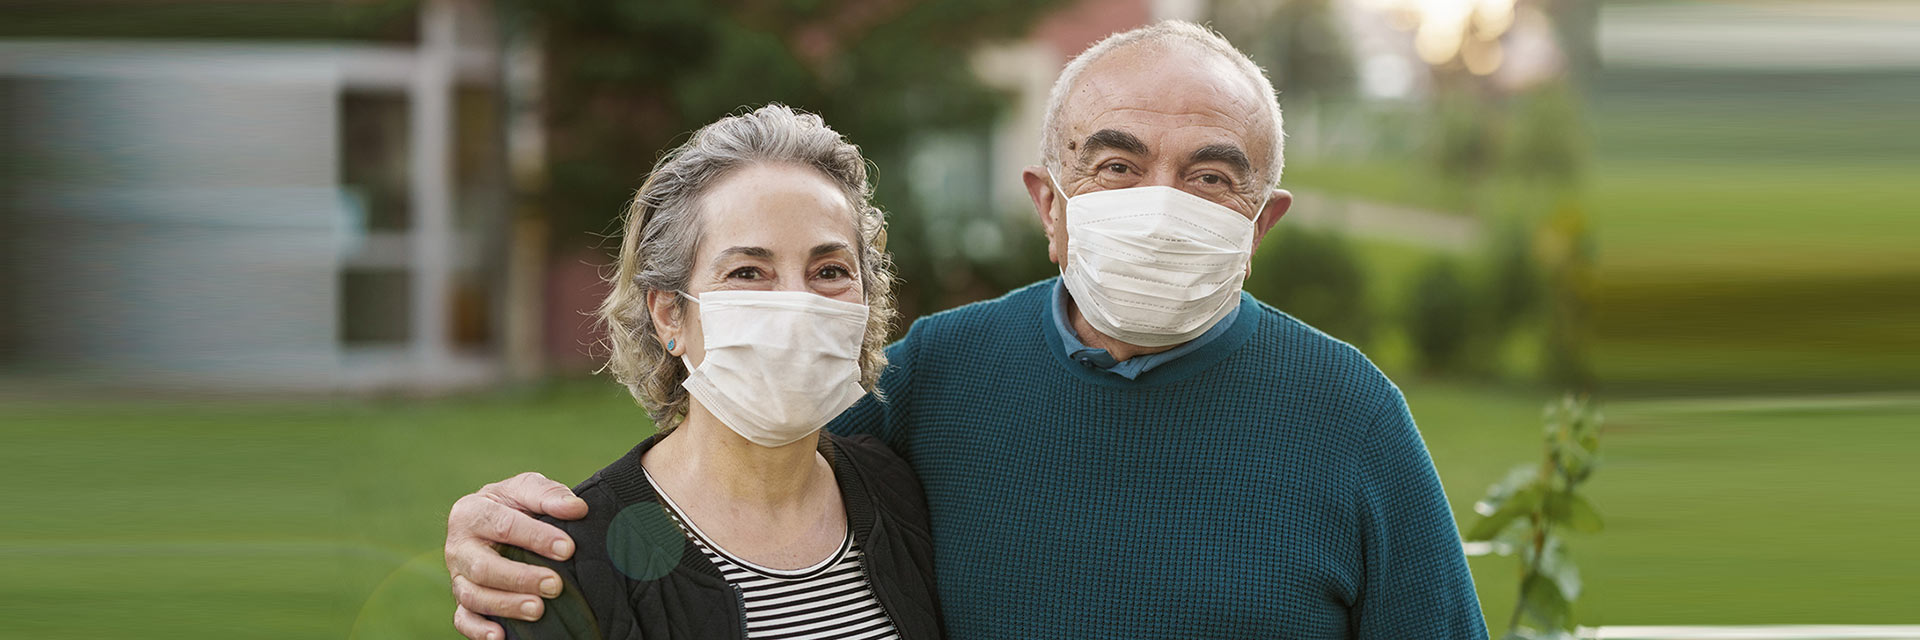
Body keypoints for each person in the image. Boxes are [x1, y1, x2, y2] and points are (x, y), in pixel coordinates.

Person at [448, 20, 1486, 639]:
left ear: (1263, 223)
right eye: (1115, 165)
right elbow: (737, 446)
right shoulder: (934, 380)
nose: (1158, 201)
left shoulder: (1353, 417)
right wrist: (514, 533)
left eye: (1212, 177)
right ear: (1049, 202)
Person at [474, 104, 942, 640]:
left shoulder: (901, 496)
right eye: (748, 271)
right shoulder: (568, 564)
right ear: (670, 313)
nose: (796, 304)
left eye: (830, 271)